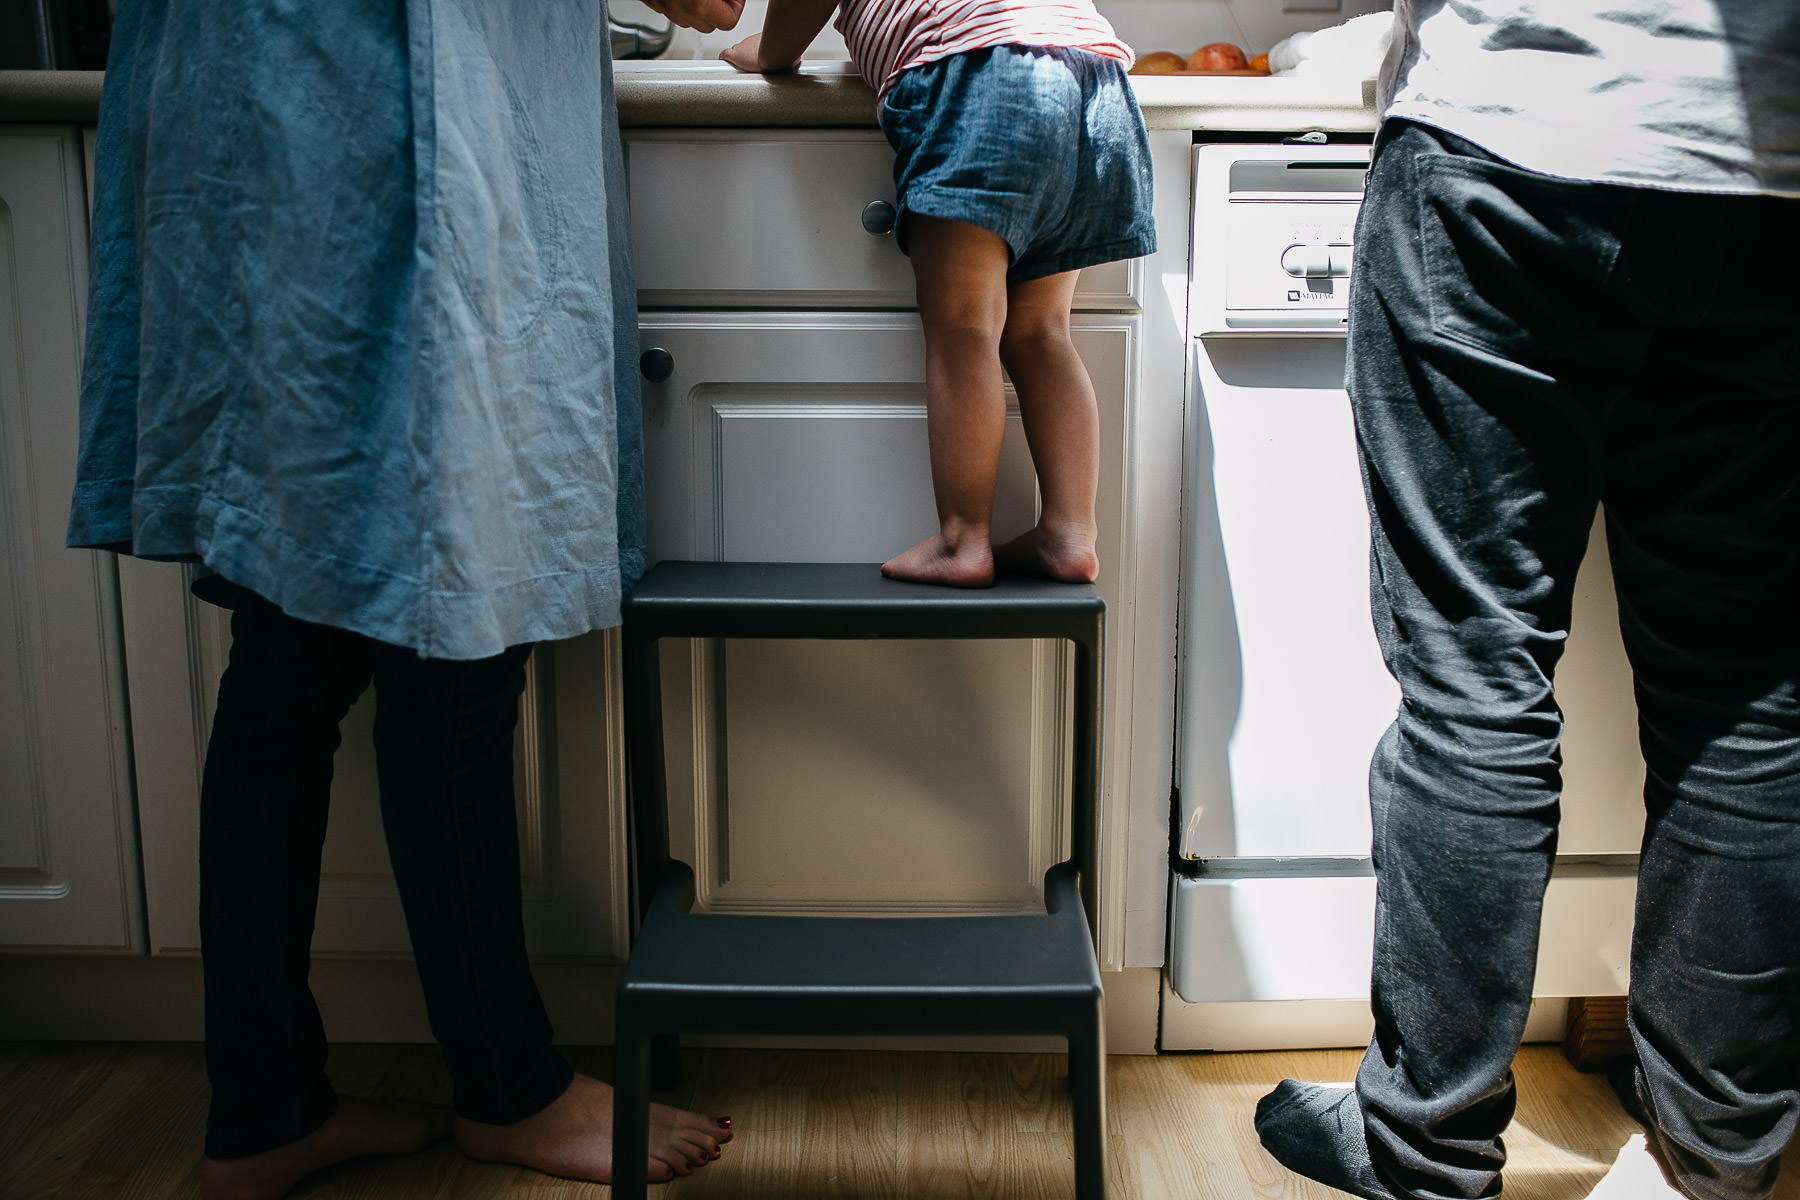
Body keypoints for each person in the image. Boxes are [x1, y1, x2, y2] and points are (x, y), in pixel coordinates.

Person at [66, 0, 745, 1196]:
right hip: (379, 125)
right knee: (451, 642)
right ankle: (508, 1090)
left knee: (289, 655)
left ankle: (266, 1110)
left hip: (251, 116)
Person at [1251, 3, 1800, 1200]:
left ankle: (1426, 1150)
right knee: (1742, 697)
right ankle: (1713, 1163)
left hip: (1514, 136)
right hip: (1769, 173)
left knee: (1474, 674)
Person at [721, 0, 1155, 588]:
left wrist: (771, 52)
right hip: (1096, 81)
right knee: (1041, 331)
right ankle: (1069, 533)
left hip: (988, 79)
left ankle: (962, 540)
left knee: (965, 328)